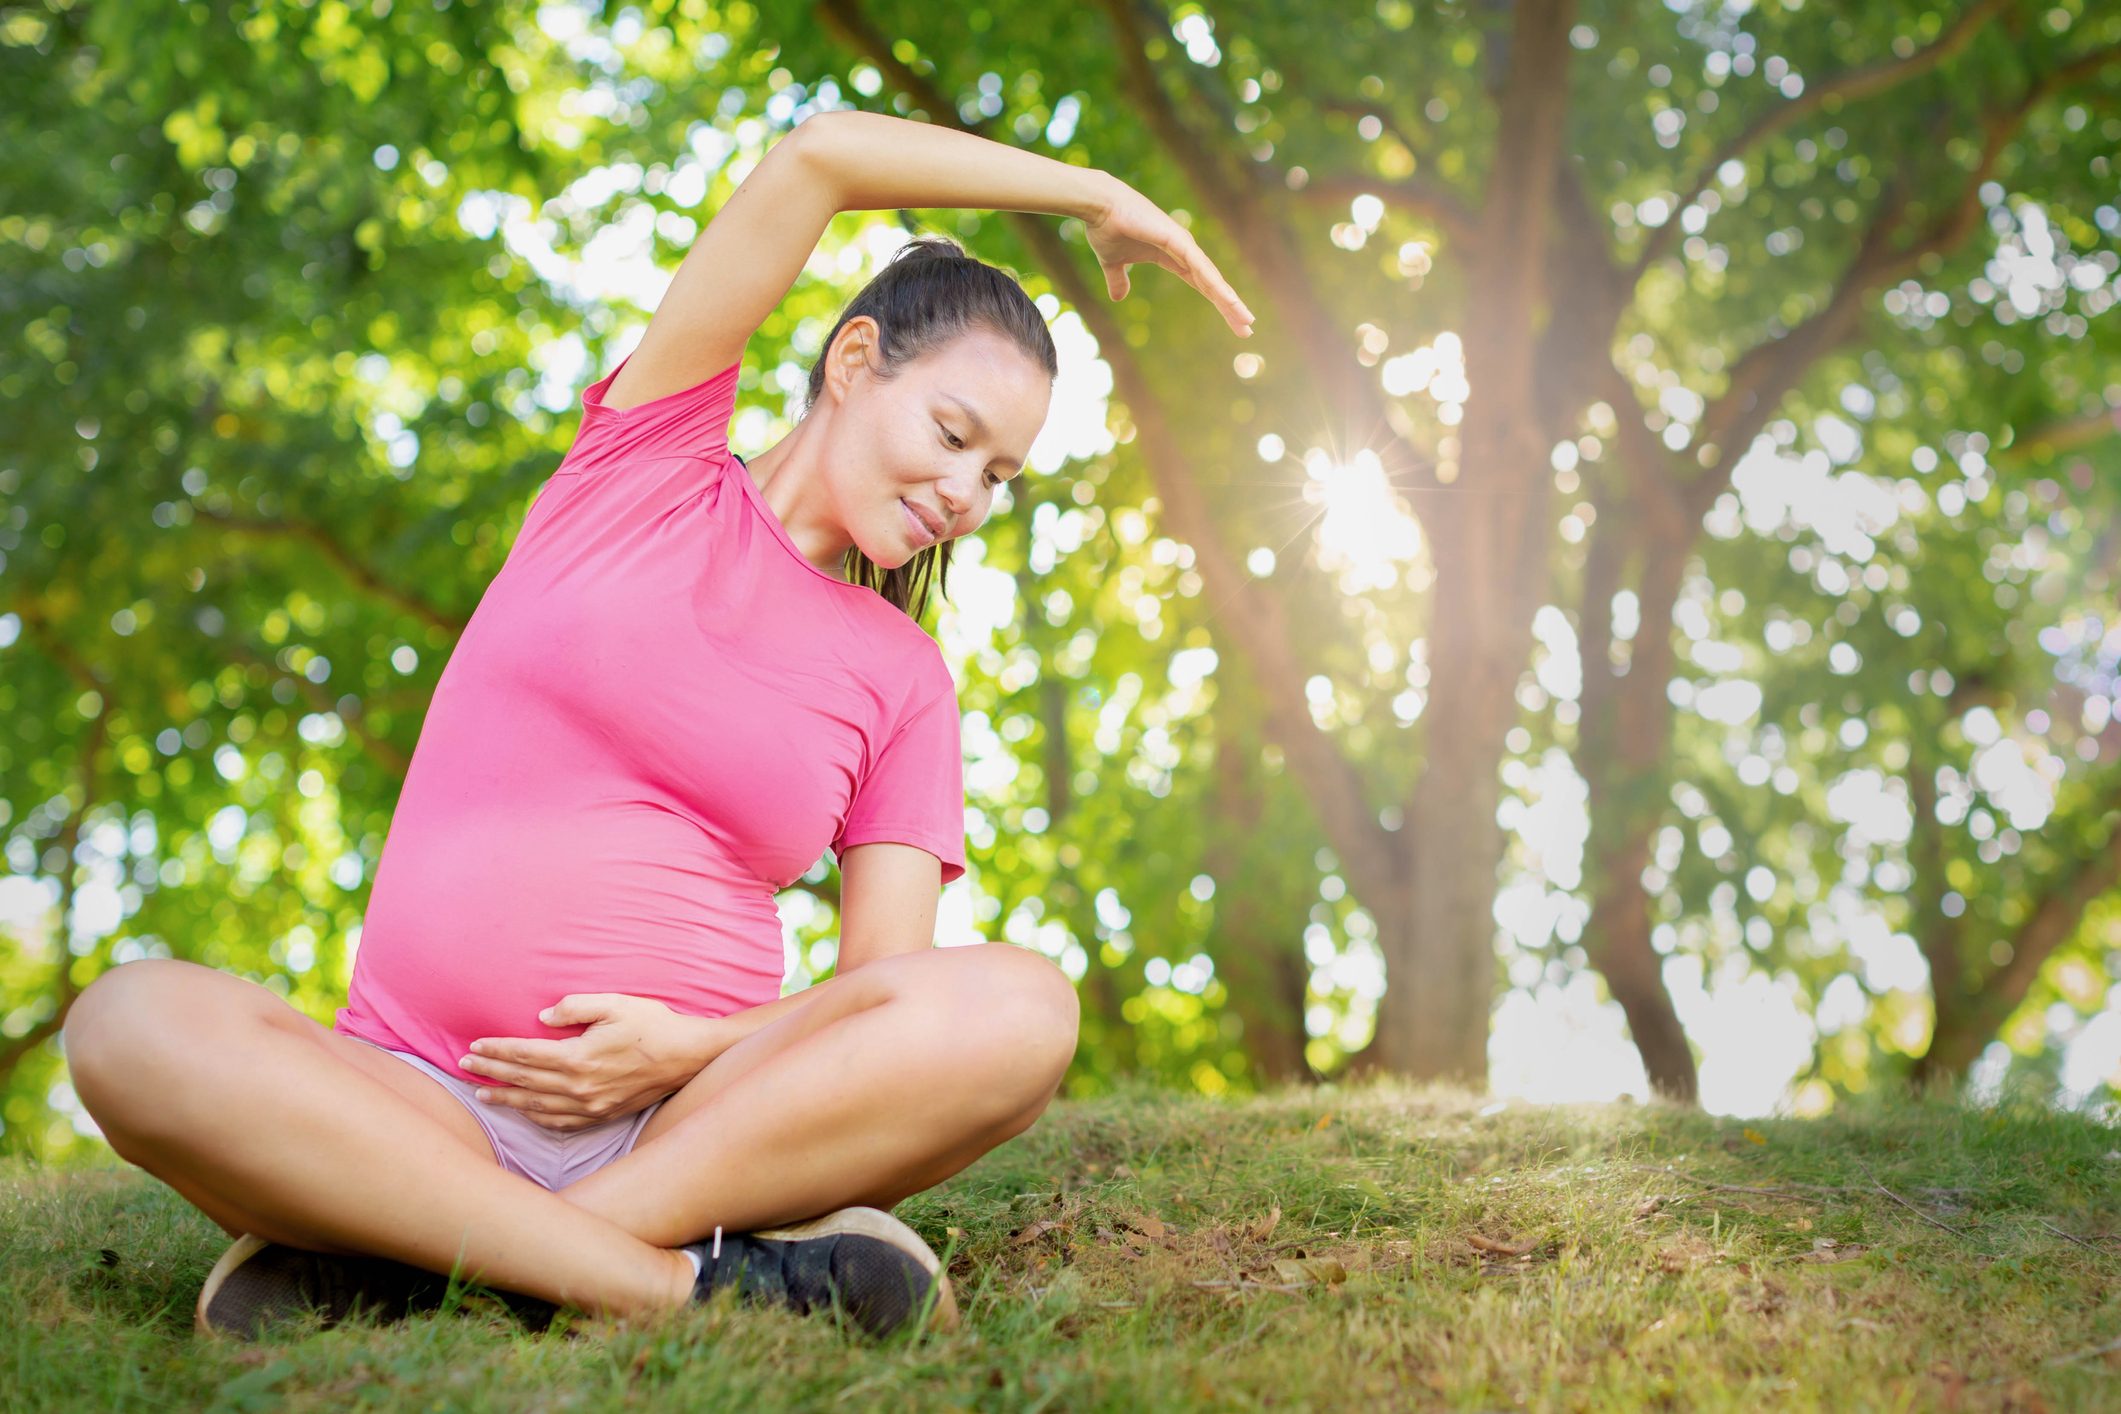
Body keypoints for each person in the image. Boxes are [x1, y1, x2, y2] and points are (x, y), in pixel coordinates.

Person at [62, 107, 1256, 1342]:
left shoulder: (903, 677)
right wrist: (1091, 190)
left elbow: (878, 994)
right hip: (419, 1094)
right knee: (129, 1025)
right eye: (954, 435)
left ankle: (426, 1254)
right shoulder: (642, 464)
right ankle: (674, 1282)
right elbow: (821, 158)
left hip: (693, 1132)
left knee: (1022, 1009)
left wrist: (685, 1051)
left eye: (998, 475)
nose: (964, 492)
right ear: (854, 364)